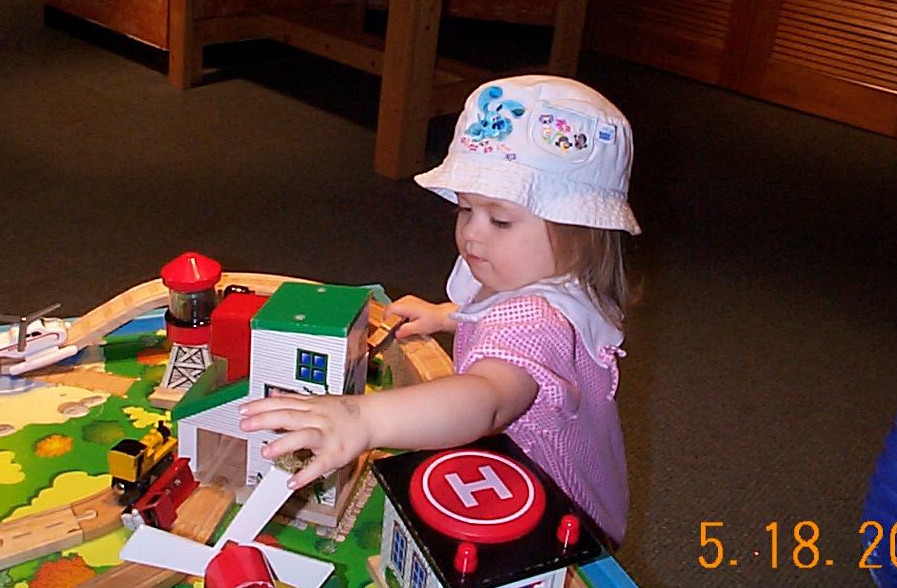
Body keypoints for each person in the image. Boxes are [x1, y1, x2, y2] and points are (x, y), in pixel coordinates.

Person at [239, 75, 640, 544]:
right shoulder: (552, 277)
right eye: (465, 210)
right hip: (586, 483)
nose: (471, 233)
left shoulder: (535, 320)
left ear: (582, 232)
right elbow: (499, 318)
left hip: (550, 510)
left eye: (500, 220)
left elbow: (489, 398)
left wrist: (365, 418)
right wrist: (447, 315)